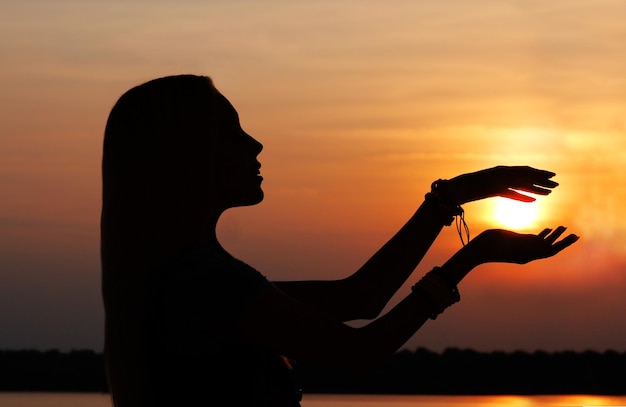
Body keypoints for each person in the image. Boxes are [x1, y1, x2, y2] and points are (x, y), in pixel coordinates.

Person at [101, 74, 579, 407]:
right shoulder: (206, 284)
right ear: (184, 157)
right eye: (231, 134)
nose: (255, 145)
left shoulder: (195, 279)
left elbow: (360, 296)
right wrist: (468, 258)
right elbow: (360, 351)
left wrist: (450, 200)